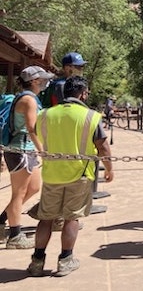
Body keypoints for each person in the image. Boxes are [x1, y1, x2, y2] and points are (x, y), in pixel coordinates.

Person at [27, 76, 114, 277]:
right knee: (71, 218)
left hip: (51, 174)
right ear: (82, 93)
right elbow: (102, 146)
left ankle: (37, 261)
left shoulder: (45, 114)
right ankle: (65, 260)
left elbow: (38, 136)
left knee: (45, 218)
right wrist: (109, 169)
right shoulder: (90, 116)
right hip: (79, 174)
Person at [0, 66, 53, 248]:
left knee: (34, 188)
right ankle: (14, 236)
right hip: (19, 150)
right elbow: (31, 128)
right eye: (42, 79)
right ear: (33, 81)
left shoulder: (30, 98)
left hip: (26, 150)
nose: (45, 82)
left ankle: (2, 220)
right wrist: (43, 151)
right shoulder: (28, 100)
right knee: (19, 193)